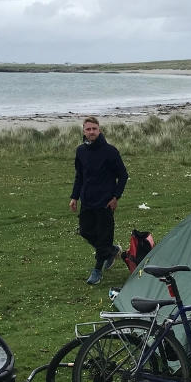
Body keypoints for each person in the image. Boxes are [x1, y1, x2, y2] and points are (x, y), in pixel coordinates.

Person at [70, 116, 129, 285]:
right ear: (83, 131)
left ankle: (97, 270)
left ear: (99, 130)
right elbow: (79, 176)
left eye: (94, 129)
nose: (91, 132)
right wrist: (74, 197)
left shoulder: (110, 151)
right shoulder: (80, 151)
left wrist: (115, 197)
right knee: (85, 231)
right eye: (88, 129)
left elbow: (123, 176)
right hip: (87, 200)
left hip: (105, 201)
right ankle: (111, 251)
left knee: (103, 236)